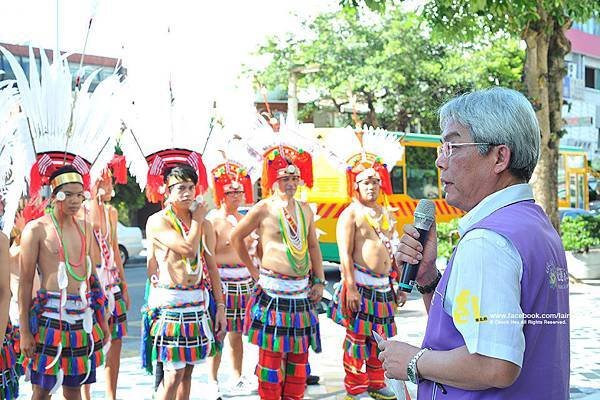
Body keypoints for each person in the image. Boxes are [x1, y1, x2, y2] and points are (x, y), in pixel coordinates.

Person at [378, 87, 570, 399]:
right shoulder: (533, 225)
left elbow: (496, 365)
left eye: (452, 146)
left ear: (499, 157)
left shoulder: (488, 241)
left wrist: (413, 361)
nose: (440, 161)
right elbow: (470, 332)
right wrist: (427, 277)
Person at [231, 137, 325, 400]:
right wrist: (253, 270)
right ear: (273, 180)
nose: (291, 183)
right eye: (285, 178)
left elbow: (313, 247)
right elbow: (236, 237)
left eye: (294, 178)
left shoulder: (305, 209)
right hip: (272, 293)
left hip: (300, 293)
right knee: (271, 360)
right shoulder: (263, 208)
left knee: (298, 359)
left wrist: (319, 281)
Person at [327, 128, 408, 400]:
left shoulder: (386, 213)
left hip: (384, 288)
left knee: (379, 338)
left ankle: (375, 382)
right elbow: (345, 255)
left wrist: (399, 285)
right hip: (360, 286)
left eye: (375, 180)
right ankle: (355, 386)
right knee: (356, 339)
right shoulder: (350, 214)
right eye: (365, 182)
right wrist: (350, 287)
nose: (371, 186)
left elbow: (393, 252)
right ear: (356, 186)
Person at [20, 165, 110, 399]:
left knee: (74, 388)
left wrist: (102, 318)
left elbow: (91, 278)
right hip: (49, 318)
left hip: (81, 318)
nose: (75, 200)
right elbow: (26, 283)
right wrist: (25, 332)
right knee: (42, 389)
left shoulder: (86, 228)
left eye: (79, 195)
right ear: (54, 195)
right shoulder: (36, 229)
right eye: (68, 194)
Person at [143, 163, 226, 400]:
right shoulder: (158, 221)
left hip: (196, 303)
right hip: (171, 304)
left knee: (187, 372)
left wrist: (220, 307)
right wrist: (199, 220)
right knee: (172, 376)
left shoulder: (204, 225)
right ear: (166, 190)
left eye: (191, 187)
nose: (187, 193)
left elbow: (211, 267)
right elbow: (188, 250)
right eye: (180, 188)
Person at [206, 155, 259, 398]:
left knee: (238, 333)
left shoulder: (244, 220)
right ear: (221, 194)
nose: (236, 196)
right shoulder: (213, 221)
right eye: (230, 192)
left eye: (239, 191)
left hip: (244, 282)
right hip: (222, 282)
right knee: (219, 331)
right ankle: (212, 379)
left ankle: (237, 376)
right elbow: (208, 258)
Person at [82, 159, 130, 400]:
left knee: (117, 339)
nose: (112, 183)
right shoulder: (84, 210)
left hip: (112, 280)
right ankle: (85, 393)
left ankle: (111, 395)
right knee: (90, 338)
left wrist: (124, 284)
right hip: (92, 282)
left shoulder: (111, 212)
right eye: (107, 178)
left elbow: (113, 248)